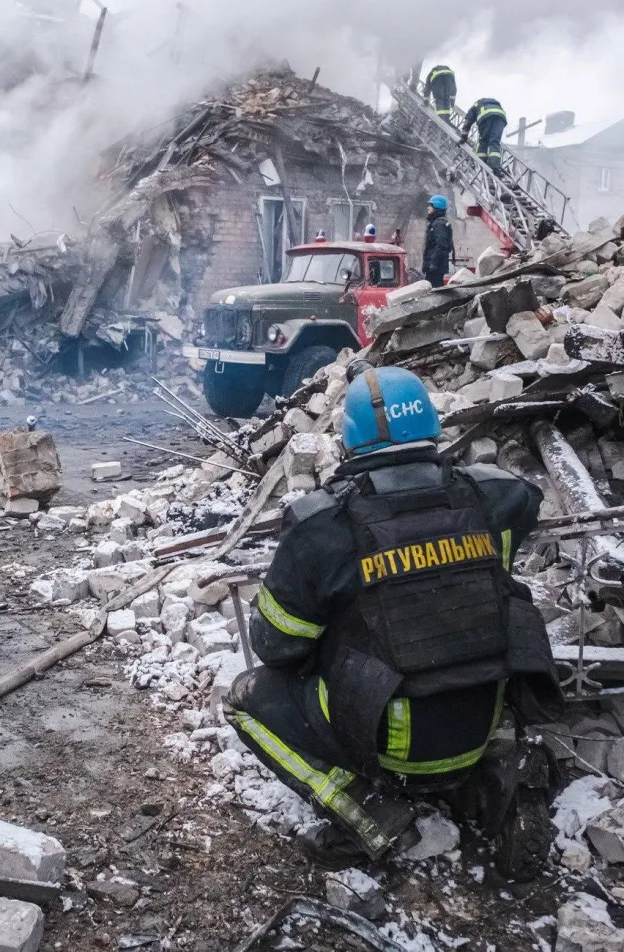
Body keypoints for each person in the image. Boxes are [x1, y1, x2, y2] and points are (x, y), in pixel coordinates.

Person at [224, 363, 562, 872]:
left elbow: (276, 645)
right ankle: (497, 783)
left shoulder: (324, 526)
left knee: (247, 699)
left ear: (350, 439)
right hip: (480, 715)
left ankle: (367, 811)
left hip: (382, 739)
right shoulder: (496, 495)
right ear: (430, 424)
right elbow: (527, 503)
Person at [461, 97, 508, 174]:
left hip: (485, 118)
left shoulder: (476, 105)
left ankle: (481, 164)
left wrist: (464, 137)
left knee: (484, 142)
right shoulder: (494, 103)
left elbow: (468, 122)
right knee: (494, 142)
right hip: (500, 118)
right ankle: (495, 166)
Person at [422, 195, 454, 288]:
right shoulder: (437, 223)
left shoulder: (439, 224)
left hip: (435, 269)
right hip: (434, 268)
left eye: (430, 205)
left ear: (436, 207)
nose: (428, 207)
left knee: (432, 292)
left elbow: (441, 246)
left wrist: (434, 264)